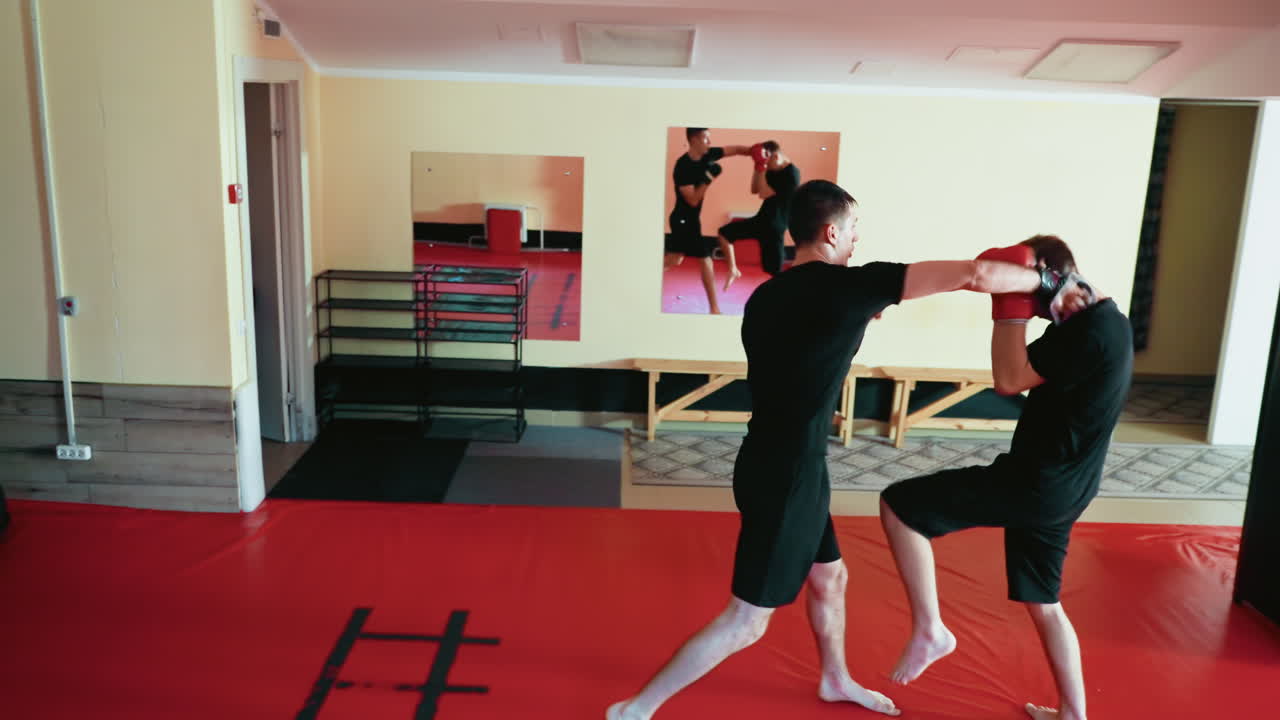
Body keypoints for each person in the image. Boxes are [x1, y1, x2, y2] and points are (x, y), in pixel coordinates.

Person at [607, 180, 1047, 720]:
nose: (858, 238)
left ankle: (835, 679)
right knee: (747, 619)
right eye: (854, 228)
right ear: (831, 232)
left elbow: (806, 341)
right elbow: (975, 275)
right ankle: (636, 709)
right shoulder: (851, 288)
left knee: (830, 577)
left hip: (775, 460)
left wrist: (858, 311)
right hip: (788, 475)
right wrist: (1048, 282)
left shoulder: (767, 296)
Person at [879, 235, 1132, 720]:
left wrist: (1011, 304)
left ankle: (931, 629)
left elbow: (1009, 379)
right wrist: (1030, 288)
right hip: (1069, 486)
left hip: (1036, 483)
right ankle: (1073, 715)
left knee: (899, 507)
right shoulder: (1106, 320)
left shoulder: (1088, 332)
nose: (1036, 312)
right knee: (1045, 603)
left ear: (1046, 274)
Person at [665, 128, 751, 314]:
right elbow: (693, 200)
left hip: (690, 220)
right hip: (682, 220)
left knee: (674, 259)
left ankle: (642, 276)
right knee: (705, 259)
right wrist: (708, 178)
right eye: (706, 138)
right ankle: (714, 308)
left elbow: (735, 149)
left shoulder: (709, 154)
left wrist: (755, 151)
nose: (709, 142)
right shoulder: (683, 166)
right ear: (694, 140)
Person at [716, 140, 800, 290]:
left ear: (775, 156)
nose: (767, 167)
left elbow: (763, 193)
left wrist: (762, 166)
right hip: (762, 220)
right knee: (724, 233)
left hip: (774, 227)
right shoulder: (772, 167)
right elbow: (754, 189)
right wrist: (757, 166)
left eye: (767, 163)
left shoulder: (791, 174)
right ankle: (733, 270)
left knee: (774, 272)